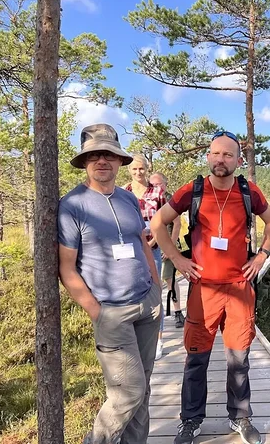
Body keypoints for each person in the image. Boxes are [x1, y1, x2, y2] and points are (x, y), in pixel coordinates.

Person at [150, 131, 270, 444]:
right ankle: (191, 421)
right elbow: (158, 223)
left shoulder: (249, 192)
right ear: (208, 156)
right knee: (196, 361)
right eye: (215, 153)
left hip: (239, 290)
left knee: (239, 361)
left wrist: (262, 255)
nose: (220, 159)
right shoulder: (193, 190)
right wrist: (177, 259)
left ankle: (240, 417)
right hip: (202, 291)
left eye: (227, 155)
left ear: (238, 160)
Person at [58, 123, 162, 443]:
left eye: (109, 154)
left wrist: (157, 288)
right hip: (111, 311)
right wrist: (97, 311)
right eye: (94, 155)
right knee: (127, 394)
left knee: (142, 391)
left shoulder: (128, 200)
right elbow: (66, 267)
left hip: (147, 303)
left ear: (119, 161)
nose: (102, 160)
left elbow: (142, 242)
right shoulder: (72, 205)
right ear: (85, 161)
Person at [122, 155, 168, 359]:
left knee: (155, 292)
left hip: (153, 248)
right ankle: (135, 339)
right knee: (131, 293)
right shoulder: (123, 192)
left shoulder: (157, 192)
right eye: (134, 169)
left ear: (147, 169)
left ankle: (157, 339)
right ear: (129, 171)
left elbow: (164, 220)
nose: (138, 173)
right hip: (131, 252)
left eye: (141, 169)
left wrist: (151, 243)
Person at [149, 172, 185, 328]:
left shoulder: (169, 199)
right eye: (154, 185)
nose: (157, 187)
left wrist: (169, 247)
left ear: (165, 183)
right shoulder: (149, 197)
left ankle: (177, 312)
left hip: (167, 245)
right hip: (151, 245)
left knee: (169, 278)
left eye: (159, 184)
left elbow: (177, 224)